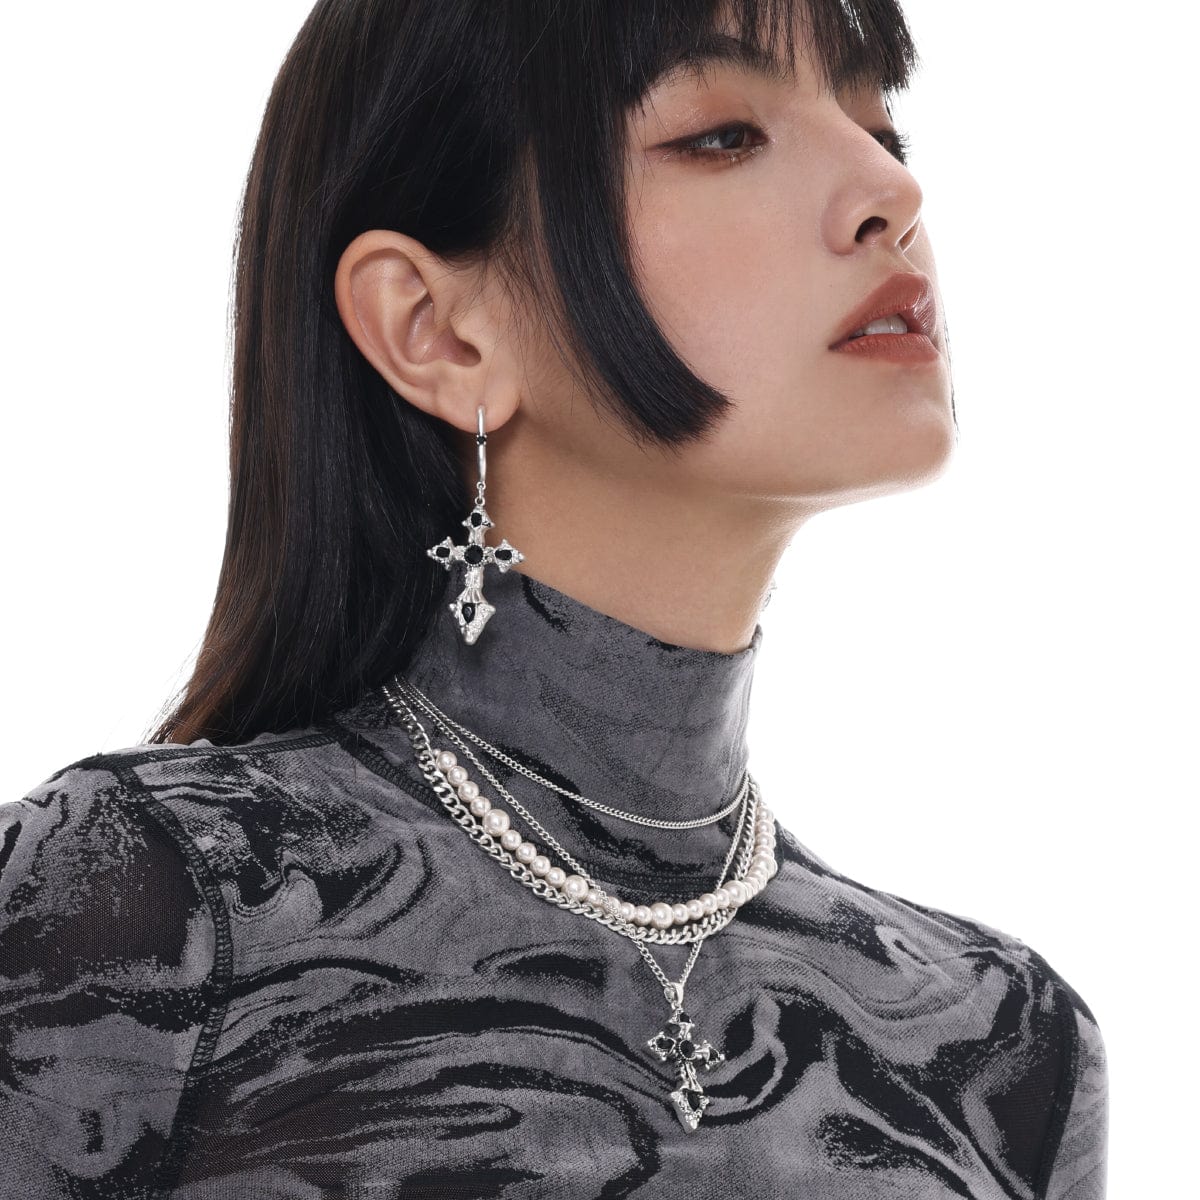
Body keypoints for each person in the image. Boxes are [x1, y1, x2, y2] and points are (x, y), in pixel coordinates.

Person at [0, 1, 1107, 1196]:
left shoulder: (1004, 1045)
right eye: (723, 135)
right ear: (437, 330)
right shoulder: (147, 904)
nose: (892, 190)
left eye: (885, 128)